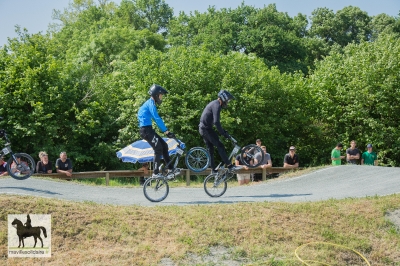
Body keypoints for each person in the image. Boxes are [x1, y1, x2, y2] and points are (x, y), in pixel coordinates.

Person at [138, 84, 180, 179]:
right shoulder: (150, 104)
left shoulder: (149, 103)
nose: (161, 97)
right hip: (146, 130)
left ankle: (170, 169)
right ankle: (155, 173)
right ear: (156, 94)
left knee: (164, 146)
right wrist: (166, 131)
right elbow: (157, 118)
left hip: (147, 129)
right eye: (161, 95)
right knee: (158, 149)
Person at [199, 90, 238, 173]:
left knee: (210, 150)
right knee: (220, 146)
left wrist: (223, 131)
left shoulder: (214, 104)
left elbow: (214, 122)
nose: (228, 102)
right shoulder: (217, 105)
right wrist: (223, 133)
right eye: (228, 100)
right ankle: (230, 166)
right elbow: (216, 122)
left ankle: (213, 170)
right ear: (224, 98)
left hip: (203, 128)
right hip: (206, 129)